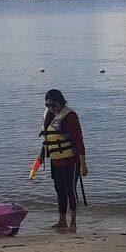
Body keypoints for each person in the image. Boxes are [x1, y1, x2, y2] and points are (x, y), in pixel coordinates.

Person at [36, 89, 87, 231]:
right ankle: (61, 220)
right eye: (47, 105)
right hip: (55, 161)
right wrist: (40, 156)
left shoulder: (70, 116)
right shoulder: (49, 116)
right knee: (59, 190)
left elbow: (79, 140)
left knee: (71, 190)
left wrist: (83, 164)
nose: (51, 108)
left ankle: (73, 222)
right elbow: (47, 138)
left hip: (71, 161)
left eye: (53, 105)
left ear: (61, 102)